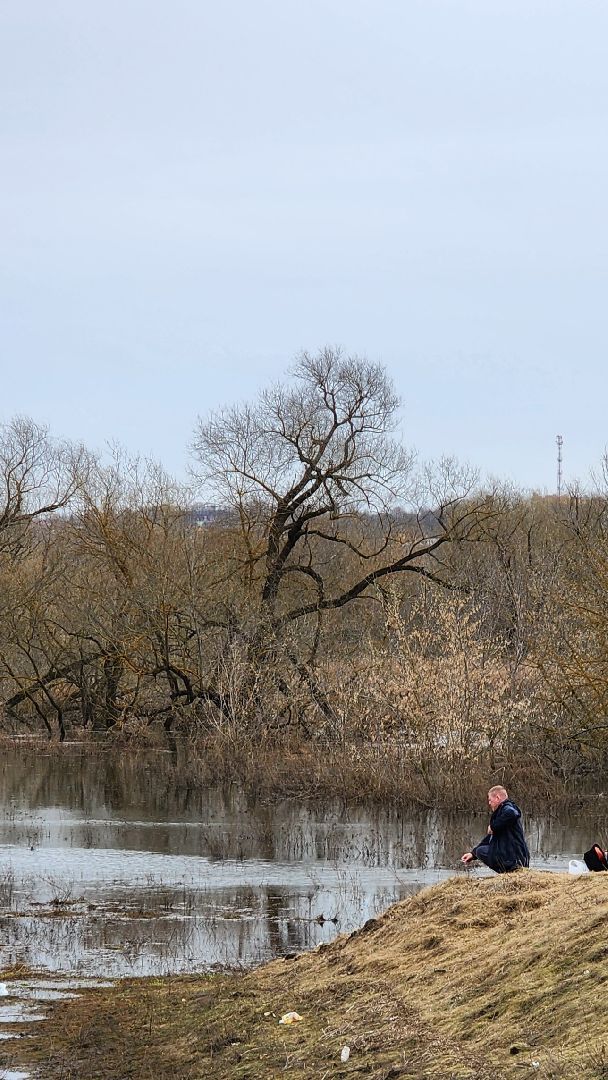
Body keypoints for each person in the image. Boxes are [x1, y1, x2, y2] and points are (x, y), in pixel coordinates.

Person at [461, 785, 530, 874]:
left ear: (497, 798)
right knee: (479, 850)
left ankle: (510, 872)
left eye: (490, 800)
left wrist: (493, 827)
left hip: (516, 860)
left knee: (481, 851)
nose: (489, 803)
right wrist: (473, 854)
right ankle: (508, 873)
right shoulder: (502, 814)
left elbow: (513, 813)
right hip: (515, 858)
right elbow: (490, 839)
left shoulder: (507, 808)